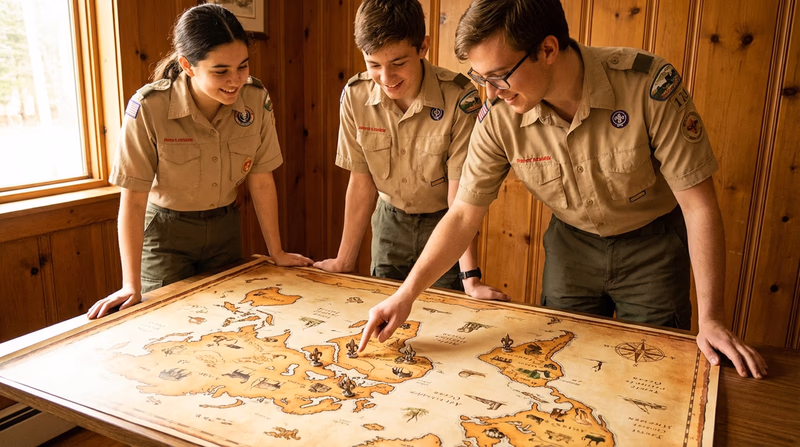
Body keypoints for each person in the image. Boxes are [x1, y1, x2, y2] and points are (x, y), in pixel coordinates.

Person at [358, 0, 768, 379]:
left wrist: (713, 318)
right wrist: (406, 295)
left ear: (548, 49)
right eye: (480, 79)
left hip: (653, 249)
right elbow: (463, 214)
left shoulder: (647, 86)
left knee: (649, 372)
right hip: (571, 250)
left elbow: (699, 206)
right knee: (562, 365)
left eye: (499, 76)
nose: (490, 92)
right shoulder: (498, 113)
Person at [88, 4, 311, 319]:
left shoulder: (255, 99)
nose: (235, 80)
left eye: (243, 66)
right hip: (166, 235)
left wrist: (276, 252)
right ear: (187, 65)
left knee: (231, 322)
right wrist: (130, 284)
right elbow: (134, 199)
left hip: (225, 228)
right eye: (220, 71)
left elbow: (261, 178)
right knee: (170, 327)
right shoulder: (149, 108)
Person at [313, 0, 508, 301]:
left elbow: (461, 199)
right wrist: (344, 260)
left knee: (442, 314)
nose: (386, 78)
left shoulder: (459, 98)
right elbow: (361, 182)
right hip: (389, 220)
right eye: (373, 65)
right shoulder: (355, 96)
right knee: (385, 314)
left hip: (443, 223)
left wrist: (470, 278)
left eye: (398, 63)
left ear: (423, 47)